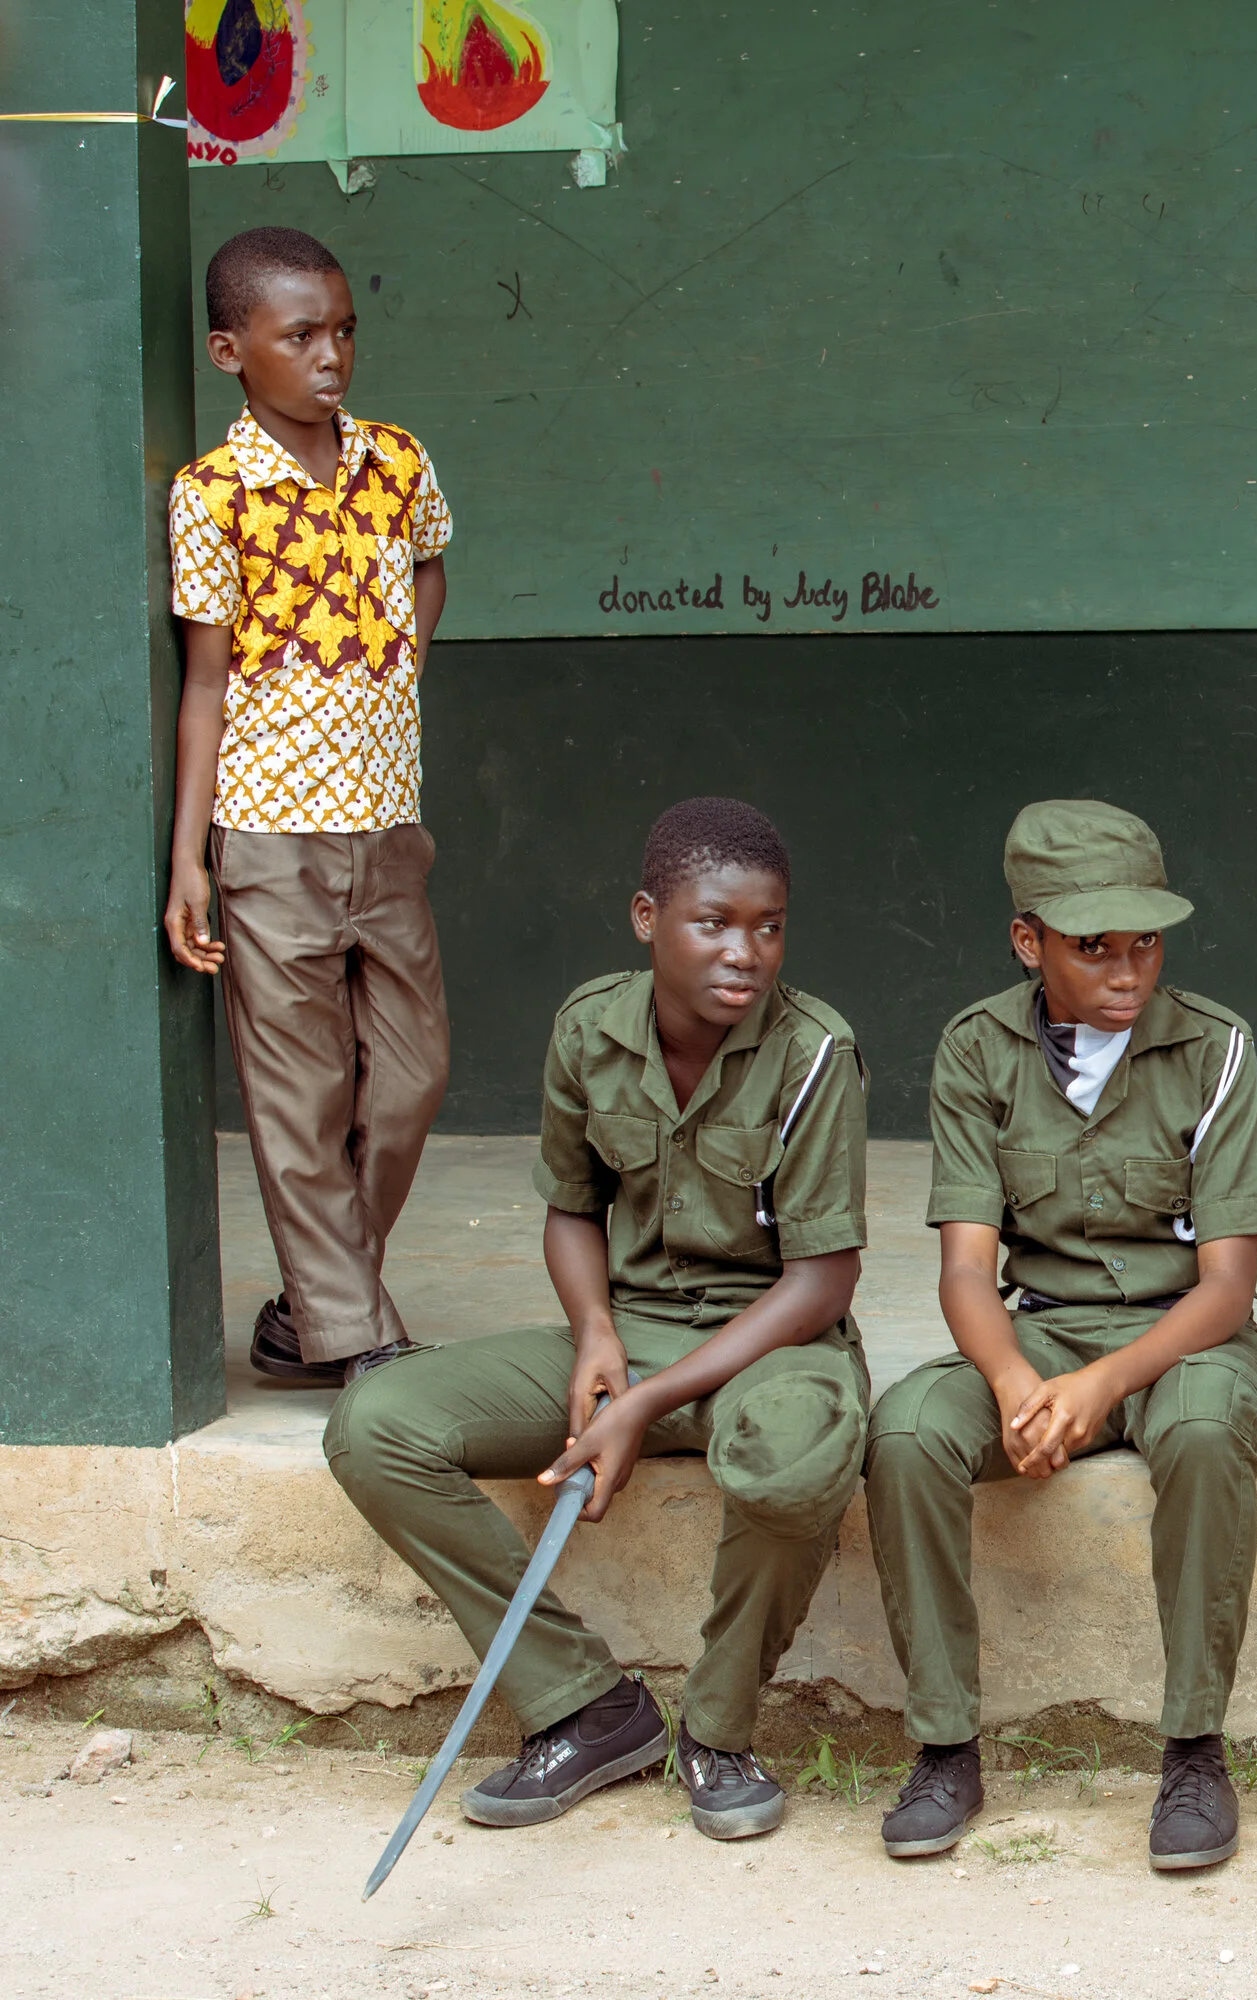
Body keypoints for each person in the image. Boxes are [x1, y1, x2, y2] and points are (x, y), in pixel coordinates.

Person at [324, 798, 872, 1840]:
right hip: (630, 1332)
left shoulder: (814, 1049)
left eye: (769, 926)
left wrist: (646, 1403)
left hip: (771, 1344)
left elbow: (821, 1281)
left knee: (803, 1449)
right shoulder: (589, 1027)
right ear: (646, 918)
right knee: (376, 1423)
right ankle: (586, 1705)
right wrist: (595, 1336)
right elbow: (572, 1208)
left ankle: (717, 1730)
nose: (745, 952)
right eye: (714, 922)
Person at [866, 800, 1257, 1871]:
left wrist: (1105, 1385)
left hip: (1187, 1340)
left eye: (1145, 942)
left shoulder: (1215, 1046)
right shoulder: (977, 1049)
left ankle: (1194, 1753)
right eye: (1092, 946)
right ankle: (944, 1748)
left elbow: (1228, 1286)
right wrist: (1013, 1380)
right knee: (907, 1430)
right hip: (1042, 1332)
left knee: (1200, 1434)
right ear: (1027, 940)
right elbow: (966, 1267)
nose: (1127, 971)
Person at [164, 225, 454, 1386]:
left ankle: (306, 1311)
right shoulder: (212, 494)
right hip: (268, 832)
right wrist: (189, 859)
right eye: (300, 336)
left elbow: (430, 562)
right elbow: (203, 684)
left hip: (387, 825)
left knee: (414, 1074)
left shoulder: (397, 461)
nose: (330, 356)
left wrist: (396, 665)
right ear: (230, 351)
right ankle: (356, 1334)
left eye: (343, 330)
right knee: (303, 1094)